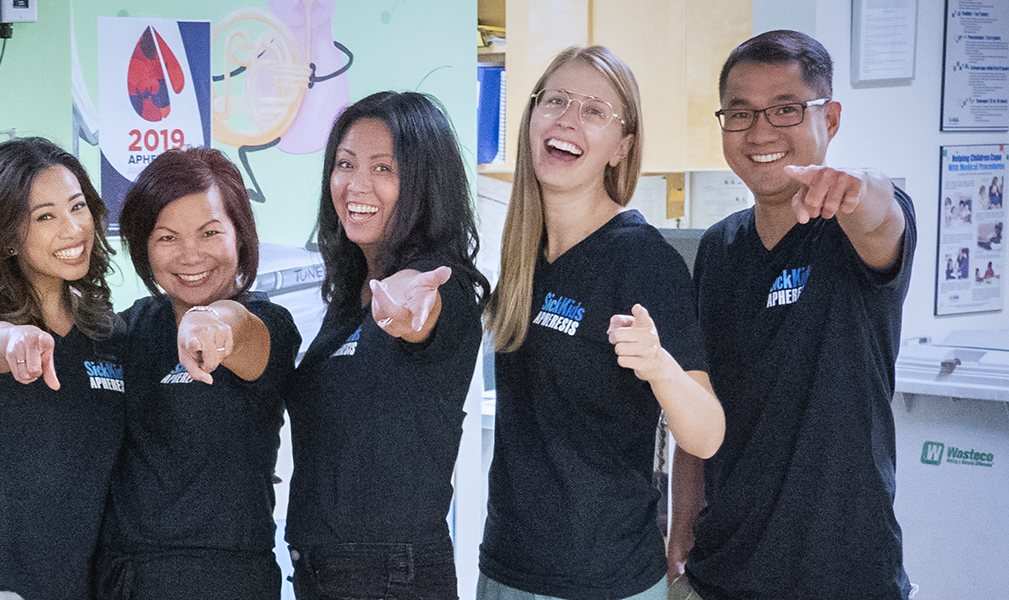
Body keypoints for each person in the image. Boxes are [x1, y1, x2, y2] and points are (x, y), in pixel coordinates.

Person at [670, 32, 919, 600]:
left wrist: (860, 189)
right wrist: (682, 521)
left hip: (846, 576)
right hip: (722, 573)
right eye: (740, 113)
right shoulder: (717, 248)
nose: (760, 132)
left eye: (785, 109)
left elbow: (881, 216)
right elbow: (695, 396)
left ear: (829, 119)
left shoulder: (853, 231)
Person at [478, 46, 725, 600]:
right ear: (532, 117)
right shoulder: (523, 252)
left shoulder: (643, 259)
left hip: (606, 580)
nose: (567, 118)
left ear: (622, 147)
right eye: (557, 100)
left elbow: (707, 433)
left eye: (594, 110)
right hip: (507, 569)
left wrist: (660, 367)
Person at [286, 91, 489, 600]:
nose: (356, 185)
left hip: (391, 577)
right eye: (345, 164)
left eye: (383, 168)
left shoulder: (438, 287)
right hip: (320, 570)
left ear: (423, 184)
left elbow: (417, 311)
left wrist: (405, 311)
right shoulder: (352, 293)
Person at [94, 147, 300, 600]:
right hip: (122, 576)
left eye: (209, 233)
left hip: (222, 579)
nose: (190, 255)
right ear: (143, 246)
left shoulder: (269, 324)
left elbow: (241, 330)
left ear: (239, 236)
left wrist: (213, 324)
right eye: (166, 237)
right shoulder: (129, 326)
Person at [0, 137, 121, 600]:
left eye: (78, 207)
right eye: (46, 216)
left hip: (74, 585)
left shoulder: (110, 333)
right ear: (9, 236)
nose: (73, 229)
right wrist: (12, 341)